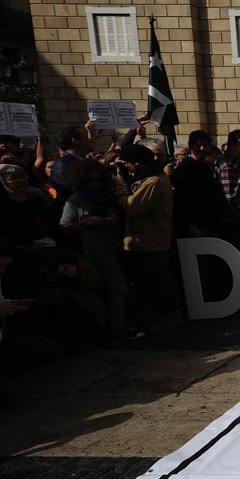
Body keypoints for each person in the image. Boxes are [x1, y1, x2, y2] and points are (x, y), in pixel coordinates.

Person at [59, 158, 132, 339]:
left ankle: (116, 322)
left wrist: (116, 219)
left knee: (119, 287)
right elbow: (64, 227)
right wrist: (85, 223)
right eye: (89, 181)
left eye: (98, 179)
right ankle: (118, 327)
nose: (94, 184)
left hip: (119, 245)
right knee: (118, 287)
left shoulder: (111, 195)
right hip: (97, 250)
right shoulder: (76, 200)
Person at [112, 144, 179, 330]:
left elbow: (133, 206)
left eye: (127, 164)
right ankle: (158, 314)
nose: (126, 167)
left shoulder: (154, 182)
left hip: (151, 240)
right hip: (146, 239)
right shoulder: (149, 179)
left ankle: (170, 314)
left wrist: (120, 186)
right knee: (150, 280)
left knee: (159, 280)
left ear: (137, 163)